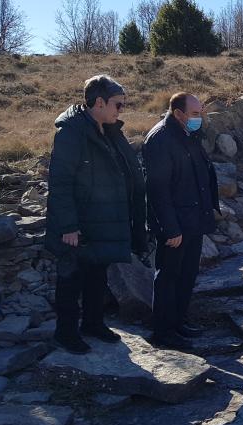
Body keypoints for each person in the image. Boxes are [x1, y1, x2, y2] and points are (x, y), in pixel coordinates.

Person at [45, 75, 147, 354]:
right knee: (70, 279)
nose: (121, 110)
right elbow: (61, 181)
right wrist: (68, 225)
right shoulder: (71, 133)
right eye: (118, 104)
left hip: (101, 221)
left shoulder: (109, 131)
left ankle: (93, 324)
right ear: (98, 102)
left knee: (97, 276)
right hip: (77, 225)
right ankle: (65, 333)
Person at [143, 93, 219, 350]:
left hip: (194, 220)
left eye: (201, 112)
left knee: (187, 274)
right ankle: (163, 331)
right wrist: (170, 228)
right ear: (179, 114)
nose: (201, 117)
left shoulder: (189, 134)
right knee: (168, 277)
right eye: (196, 113)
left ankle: (179, 322)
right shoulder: (160, 139)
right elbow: (157, 189)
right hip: (175, 225)